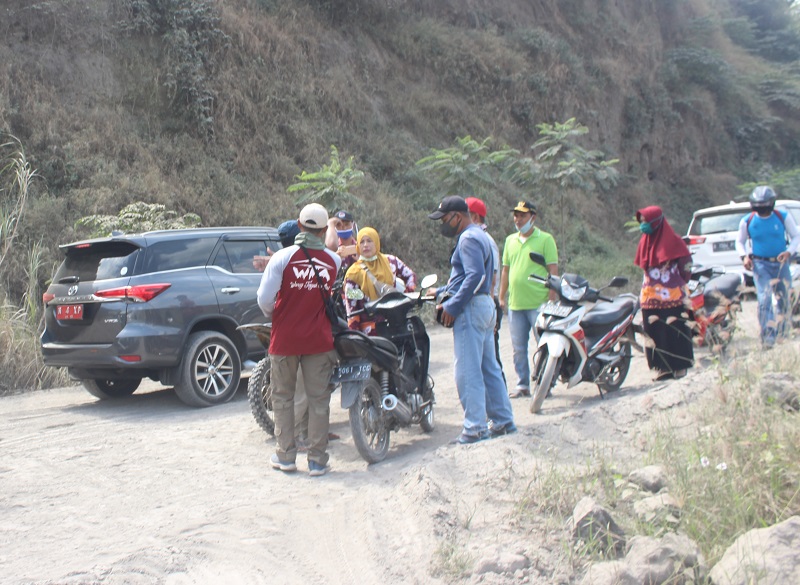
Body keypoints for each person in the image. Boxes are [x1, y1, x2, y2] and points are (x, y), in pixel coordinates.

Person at [257, 203, 341, 476]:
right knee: (319, 400)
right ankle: (317, 460)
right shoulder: (334, 261)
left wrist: (278, 315)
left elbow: (264, 300)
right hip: (319, 340)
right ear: (323, 229)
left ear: (299, 225)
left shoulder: (282, 258)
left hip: (286, 339)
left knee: (282, 397)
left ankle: (286, 457)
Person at [428, 195, 516, 444]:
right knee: (489, 368)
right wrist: (444, 289)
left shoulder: (467, 239)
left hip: (471, 307)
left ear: (458, 216)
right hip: (485, 306)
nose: (443, 224)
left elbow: (475, 277)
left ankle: (475, 428)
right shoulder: (481, 236)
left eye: (445, 219)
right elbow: (470, 275)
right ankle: (503, 421)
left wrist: (453, 304)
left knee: (467, 371)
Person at [498, 201, 558, 398]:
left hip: (539, 304)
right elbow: (506, 271)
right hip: (516, 304)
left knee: (543, 345)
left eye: (522, 216)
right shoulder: (510, 241)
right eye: (515, 215)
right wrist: (501, 297)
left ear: (533, 217)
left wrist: (551, 300)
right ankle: (523, 384)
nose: (518, 219)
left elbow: (553, 272)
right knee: (518, 348)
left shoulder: (545, 240)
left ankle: (545, 383)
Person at [735, 186, 800, 348]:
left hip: (781, 263)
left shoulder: (782, 217)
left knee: (783, 298)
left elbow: (796, 236)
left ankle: (783, 333)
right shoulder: (747, 221)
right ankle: (768, 336)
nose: (762, 208)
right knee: (764, 299)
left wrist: (789, 252)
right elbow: (739, 241)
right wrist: (744, 257)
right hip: (760, 264)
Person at [634, 205, 694, 381]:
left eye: (646, 221)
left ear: (656, 222)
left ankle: (680, 366)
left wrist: (678, 281)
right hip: (650, 296)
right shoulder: (645, 241)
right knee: (654, 332)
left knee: (675, 330)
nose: (643, 225)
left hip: (672, 296)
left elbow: (687, 265)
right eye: (642, 222)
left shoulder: (674, 241)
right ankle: (662, 368)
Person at [343, 227, 417, 334]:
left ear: (376, 242)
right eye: (362, 242)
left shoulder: (391, 261)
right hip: (370, 330)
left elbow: (410, 275)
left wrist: (407, 293)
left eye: (369, 241)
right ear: (358, 246)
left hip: (396, 323)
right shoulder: (353, 273)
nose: (365, 245)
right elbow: (351, 304)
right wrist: (355, 332)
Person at [465, 196, 506, 385]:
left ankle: (500, 407)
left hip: (486, 301)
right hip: (487, 303)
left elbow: (492, 279)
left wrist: (492, 312)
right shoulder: (479, 238)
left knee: (490, 362)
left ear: (474, 217)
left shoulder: (483, 241)